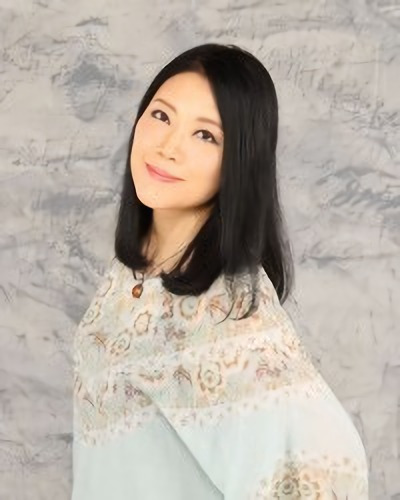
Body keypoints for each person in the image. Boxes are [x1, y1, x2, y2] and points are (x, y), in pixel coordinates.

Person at [71, 43, 369, 499]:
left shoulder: (226, 306)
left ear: (240, 161)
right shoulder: (137, 266)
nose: (168, 147)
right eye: (161, 116)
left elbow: (324, 466)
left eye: (205, 135)